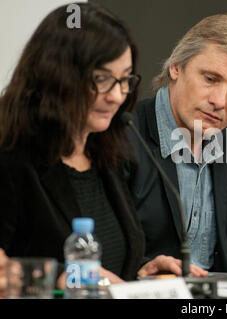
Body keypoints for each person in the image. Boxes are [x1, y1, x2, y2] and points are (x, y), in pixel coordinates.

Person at [0, 2, 159, 286]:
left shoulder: (108, 155)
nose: (117, 96)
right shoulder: (10, 156)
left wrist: (140, 270)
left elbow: (103, 265)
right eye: (102, 79)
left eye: (124, 80)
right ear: (56, 75)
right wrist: (61, 277)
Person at [127, 13, 227, 276]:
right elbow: (97, 251)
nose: (220, 101)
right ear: (176, 67)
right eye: (210, 79)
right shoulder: (124, 134)